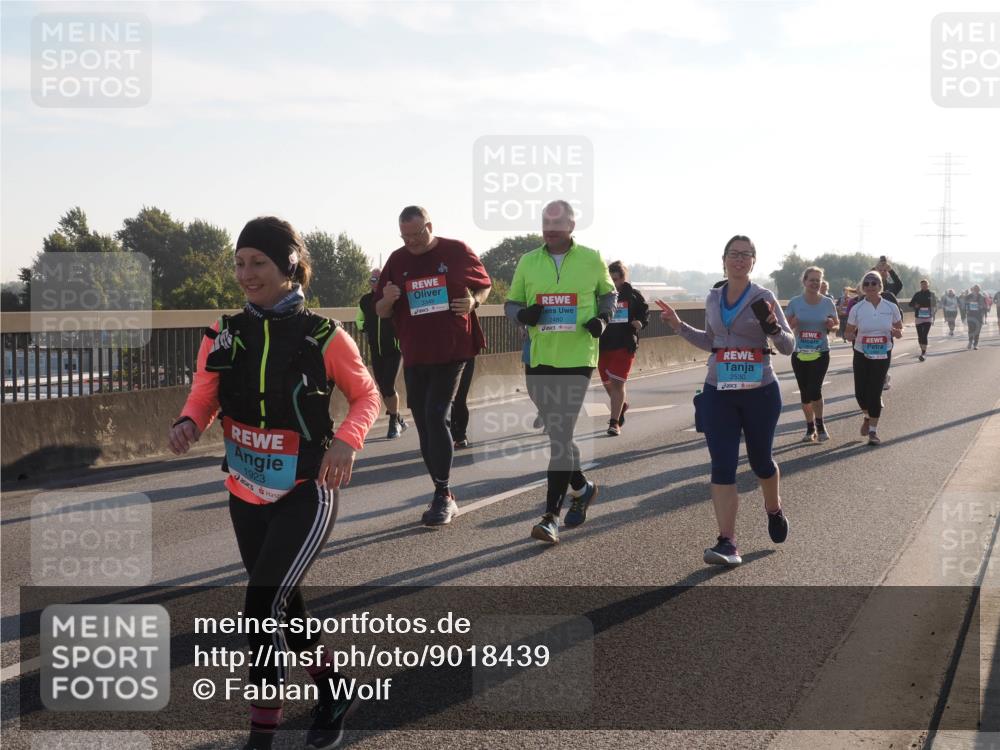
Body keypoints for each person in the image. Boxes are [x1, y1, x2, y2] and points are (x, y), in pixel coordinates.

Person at [167, 216, 381, 750]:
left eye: (258, 262)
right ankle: (335, 691)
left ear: (288, 265)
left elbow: (367, 396)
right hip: (244, 488)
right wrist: (190, 422)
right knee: (285, 607)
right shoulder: (223, 333)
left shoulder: (324, 336)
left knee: (260, 609)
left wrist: (346, 440)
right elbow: (205, 392)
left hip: (308, 487)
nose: (246, 274)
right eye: (240, 263)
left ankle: (261, 735)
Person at [657, 235, 794, 567]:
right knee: (722, 465)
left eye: (746, 255)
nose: (739, 260)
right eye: (734, 254)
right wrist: (678, 326)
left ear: (753, 262)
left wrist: (773, 328)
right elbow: (711, 341)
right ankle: (727, 542)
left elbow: (789, 346)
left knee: (761, 462)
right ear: (723, 259)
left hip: (759, 392)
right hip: (719, 392)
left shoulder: (764, 297)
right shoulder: (713, 297)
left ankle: (773, 509)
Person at [505, 200, 615, 544]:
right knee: (559, 435)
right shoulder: (528, 260)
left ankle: (550, 516)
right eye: (545, 222)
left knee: (560, 432)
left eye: (557, 222)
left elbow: (609, 295)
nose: (550, 228)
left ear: (571, 225)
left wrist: (602, 319)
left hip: (578, 356)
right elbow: (511, 303)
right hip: (538, 357)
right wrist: (523, 317)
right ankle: (582, 487)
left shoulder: (592, 258)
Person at [375, 206, 491, 526]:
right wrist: (387, 297)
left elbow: (484, 285)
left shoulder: (456, 250)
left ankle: (443, 494)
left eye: (416, 234)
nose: (411, 241)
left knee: (436, 415)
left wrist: (474, 302)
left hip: (453, 349)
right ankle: (442, 491)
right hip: (416, 353)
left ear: (430, 226)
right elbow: (382, 311)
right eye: (405, 236)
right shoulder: (397, 261)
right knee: (424, 424)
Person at [845, 271, 903, 446]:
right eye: (867, 284)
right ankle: (867, 416)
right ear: (863, 288)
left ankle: (873, 432)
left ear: (880, 286)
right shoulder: (857, 308)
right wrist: (850, 335)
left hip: (883, 352)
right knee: (860, 393)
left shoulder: (890, 307)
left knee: (875, 391)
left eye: (874, 283)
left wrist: (896, 332)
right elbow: (848, 331)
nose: (870, 286)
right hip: (861, 352)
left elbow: (899, 329)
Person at [785, 266, 839, 442]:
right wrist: (793, 323)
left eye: (818, 280)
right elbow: (785, 328)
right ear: (805, 281)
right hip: (800, 353)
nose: (815, 283)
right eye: (812, 280)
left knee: (815, 389)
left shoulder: (827, 302)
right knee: (805, 393)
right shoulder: (795, 302)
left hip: (820, 352)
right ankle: (810, 428)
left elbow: (837, 325)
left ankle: (820, 424)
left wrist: (832, 325)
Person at [598, 261, 649, 436]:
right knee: (607, 384)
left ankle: (614, 423)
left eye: (616, 279)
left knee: (618, 383)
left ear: (623, 279)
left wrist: (640, 323)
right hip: (602, 345)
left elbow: (644, 313)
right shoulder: (599, 295)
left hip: (624, 344)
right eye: (610, 279)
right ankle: (621, 405)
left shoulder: (633, 296)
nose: (613, 283)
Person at [356, 267, 408, 439]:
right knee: (382, 387)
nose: (375, 283)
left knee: (388, 385)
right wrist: (363, 327)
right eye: (372, 280)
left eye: (378, 280)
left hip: (394, 350)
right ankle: (398, 417)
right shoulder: (365, 300)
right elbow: (359, 319)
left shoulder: (393, 299)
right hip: (375, 350)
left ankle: (393, 422)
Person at [908, 279, 938, 361]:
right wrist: (915, 305)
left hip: (928, 317)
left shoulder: (932, 294)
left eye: (925, 284)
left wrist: (932, 310)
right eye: (922, 285)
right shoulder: (917, 294)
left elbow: (935, 304)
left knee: (924, 335)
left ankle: (923, 353)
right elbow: (910, 304)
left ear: (928, 285)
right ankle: (922, 350)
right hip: (919, 317)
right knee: (920, 336)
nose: (924, 286)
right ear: (920, 286)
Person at [965, 284, 987, 350]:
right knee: (971, 329)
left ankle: (975, 344)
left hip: (979, 316)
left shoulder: (982, 297)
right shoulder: (968, 296)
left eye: (978, 289)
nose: (976, 290)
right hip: (970, 315)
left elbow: (984, 307)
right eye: (975, 289)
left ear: (979, 290)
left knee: (977, 330)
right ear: (973, 289)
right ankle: (970, 342)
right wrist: (966, 311)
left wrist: (983, 315)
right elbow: (965, 305)